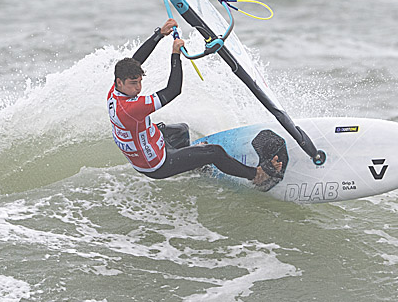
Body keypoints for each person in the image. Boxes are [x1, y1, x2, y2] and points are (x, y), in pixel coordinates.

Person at [107, 19, 285, 190]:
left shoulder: (114, 92)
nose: (138, 88)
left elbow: (135, 61)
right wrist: (175, 54)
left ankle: (193, 163)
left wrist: (159, 34)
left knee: (181, 130)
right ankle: (256, 176)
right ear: (120, 82)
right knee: (215, 152)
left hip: (148, 144)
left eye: (139, 81)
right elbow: (173, 90)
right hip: (157, 164)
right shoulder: (132, 108)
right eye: (133, 83)